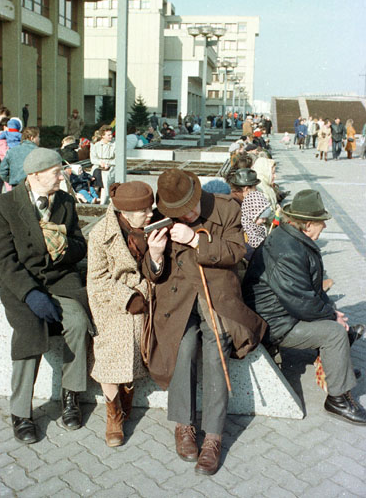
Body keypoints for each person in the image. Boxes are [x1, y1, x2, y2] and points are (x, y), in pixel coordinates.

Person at [144, 169, 266, 475]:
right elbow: (153, 273)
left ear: (198, 194)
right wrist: (156, 255)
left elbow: (237, 252)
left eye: (190, 208)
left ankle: (213, 436)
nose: (186, 215)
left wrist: (196, 242)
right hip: (179, 301)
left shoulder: (226, 208)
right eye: (178, 213)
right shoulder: (162, 217)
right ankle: (184, 425)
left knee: (215, 350)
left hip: (217, 297)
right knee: (182, 347)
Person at [0, 148, 94, 444]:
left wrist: (64, 246)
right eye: (56, 172)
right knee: (29, 330)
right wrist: (32, 293)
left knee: (77, 322)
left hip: (61, 281)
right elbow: (3, 261)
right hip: (24, 286)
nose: (62, 176)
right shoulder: (4, 206)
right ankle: (21, 412)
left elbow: (79, 245)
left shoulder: (64, 201)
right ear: (35, 176)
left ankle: (71, 397)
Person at [242, 189, 366, 425]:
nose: (325, 228)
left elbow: (306, 291)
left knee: (334, 320)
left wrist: (330, 310)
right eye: (322, 223)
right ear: (308, 225)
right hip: (274, 324)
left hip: (280, 314)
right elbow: (301, 301)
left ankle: (338, 369)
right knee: (335, 333)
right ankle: (338, 399)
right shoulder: (288, 249)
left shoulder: (290, 239)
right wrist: (331, 316)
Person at [87, 181, 154, 446]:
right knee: (112, 347)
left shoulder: (153, 229)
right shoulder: (101, 233)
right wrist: (127, 298)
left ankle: (127, 398)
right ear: (126, 212)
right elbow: (97, 279)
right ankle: (114, 413)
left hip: (143, 297)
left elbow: (158, 271)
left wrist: (141, 293)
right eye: (145, 211)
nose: (151, 214)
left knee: (136, 337)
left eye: (151, 209)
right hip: (110, 302)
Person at [226, 168, 270, 259]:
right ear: (246, 189)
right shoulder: (236, 205)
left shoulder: (237, 199)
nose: (256, 191)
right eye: (254, 188)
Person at [90, 125, 115, 204]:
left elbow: (117, 159)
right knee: (95, 174)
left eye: (111, 134)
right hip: (98, 166)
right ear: (102, 136)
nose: (111, 136)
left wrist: (108, 163)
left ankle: (102, 201)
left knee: (105, 179)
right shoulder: (96, 145)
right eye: (108, 135)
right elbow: (93, 159)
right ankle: (94, 198)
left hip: (111, 167)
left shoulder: (115, 144)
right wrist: (100, 163)